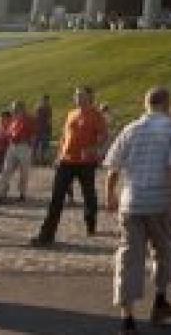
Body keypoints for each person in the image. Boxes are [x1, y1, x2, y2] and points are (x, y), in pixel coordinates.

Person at [103, 87, 171, 334]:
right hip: (159, 200)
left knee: (130, 258)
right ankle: (160, 300)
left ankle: (127, 317)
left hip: (132, 201)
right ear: (167, 103)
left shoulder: (130, 129)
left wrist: (110, 194)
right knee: (164, 251)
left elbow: (113, 167)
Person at [31, 87, 108, 247]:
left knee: (88, 193)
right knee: (56, 197)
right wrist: (59, 155)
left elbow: (103, 137)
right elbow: (64, 136)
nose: (78, 98)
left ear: (90, 97)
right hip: (66, 161)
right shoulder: (71, 114)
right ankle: (46, 235)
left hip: (86, 162)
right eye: (76, 95)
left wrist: (92, 149)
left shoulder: (96, 115)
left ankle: (90, 221)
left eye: (82, 95)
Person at [0, 100, 35, 202]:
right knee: (6, 169)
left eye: (16, 107)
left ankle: (22, 194)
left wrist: (31, 146)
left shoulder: (29, 119)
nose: (13, 109)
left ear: (22, 108)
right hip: (12, 146)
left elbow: (33, 134)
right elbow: (9, 132)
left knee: (24, 171)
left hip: (24, 146)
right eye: (13, 107)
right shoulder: (14, 119)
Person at [33, 95, 53, 166]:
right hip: (40, 130)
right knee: (39, 146)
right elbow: (48, 120)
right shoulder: (42, 108)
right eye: (46, 100)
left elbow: (48, 120)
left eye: (47, 101)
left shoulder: (41, 108)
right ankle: (38, 161)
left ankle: (40, 161)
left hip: (42, 130)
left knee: (42, 146)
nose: (47, 102)